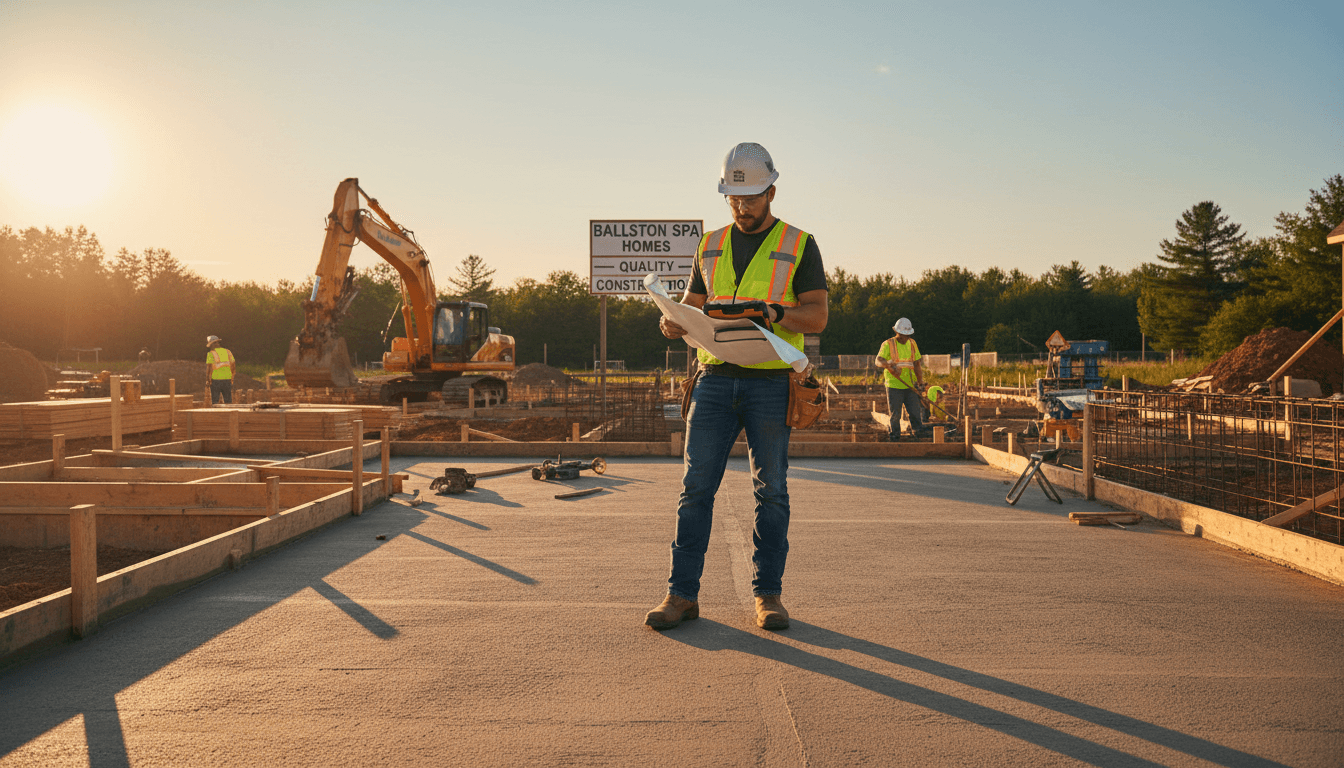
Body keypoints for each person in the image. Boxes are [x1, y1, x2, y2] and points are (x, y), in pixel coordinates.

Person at [647, 142, 828, 631]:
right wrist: (674, 323)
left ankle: (767, 596)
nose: (742, 207)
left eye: (750, 198)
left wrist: (776, 314)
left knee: (772, 492)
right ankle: (681, 595)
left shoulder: (799, 243)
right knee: (694, 490)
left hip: (771, 382)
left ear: (771, 190)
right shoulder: (709, 245)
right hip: (714, 379)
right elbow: (691, 305)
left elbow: (817, 315)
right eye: (734, 199)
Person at [875, 318, 925, 441]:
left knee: (914, 412)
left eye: (907, 335)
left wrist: (920, 382)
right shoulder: (888, 344)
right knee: (895, 414)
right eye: (903, 335)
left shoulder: (912, 344)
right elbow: (878, 360)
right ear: (897, 332)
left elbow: (917, 364)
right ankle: (895, 437)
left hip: (909, 385)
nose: (905, 338)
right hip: (893, 385)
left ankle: (918, 434)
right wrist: (888, 366)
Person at [205, 335, 236, 405]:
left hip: (215, 380)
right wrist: (232, 376)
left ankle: (216, 415)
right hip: (227, 379)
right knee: (228, 401)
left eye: (210, 345)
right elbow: (233, 365)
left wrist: (207, 380)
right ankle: (229, 415)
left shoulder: (211, 353)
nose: (210, 347)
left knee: (215, 402)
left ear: (213, 344)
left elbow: (209, 368)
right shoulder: (228, 352)